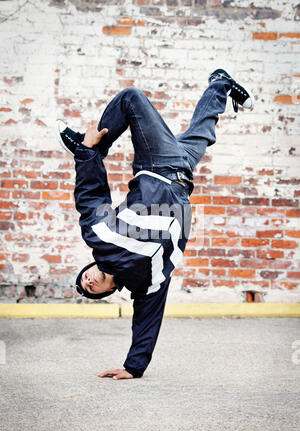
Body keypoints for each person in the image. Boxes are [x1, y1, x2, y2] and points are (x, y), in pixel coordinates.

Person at [56, 69, 254, 380]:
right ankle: (221, 82)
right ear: (108, 291)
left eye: (86, 279)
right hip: (183, 176)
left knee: (131, 98)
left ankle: (95, 143)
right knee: (202, 129)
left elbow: (91, 196)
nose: (89, 283)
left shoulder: (101, 240)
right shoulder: (147, 282)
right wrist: (133, 368)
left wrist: (88, 152)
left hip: (157, 166)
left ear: (90, 266)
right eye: (90, 290)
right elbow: (148, 319)